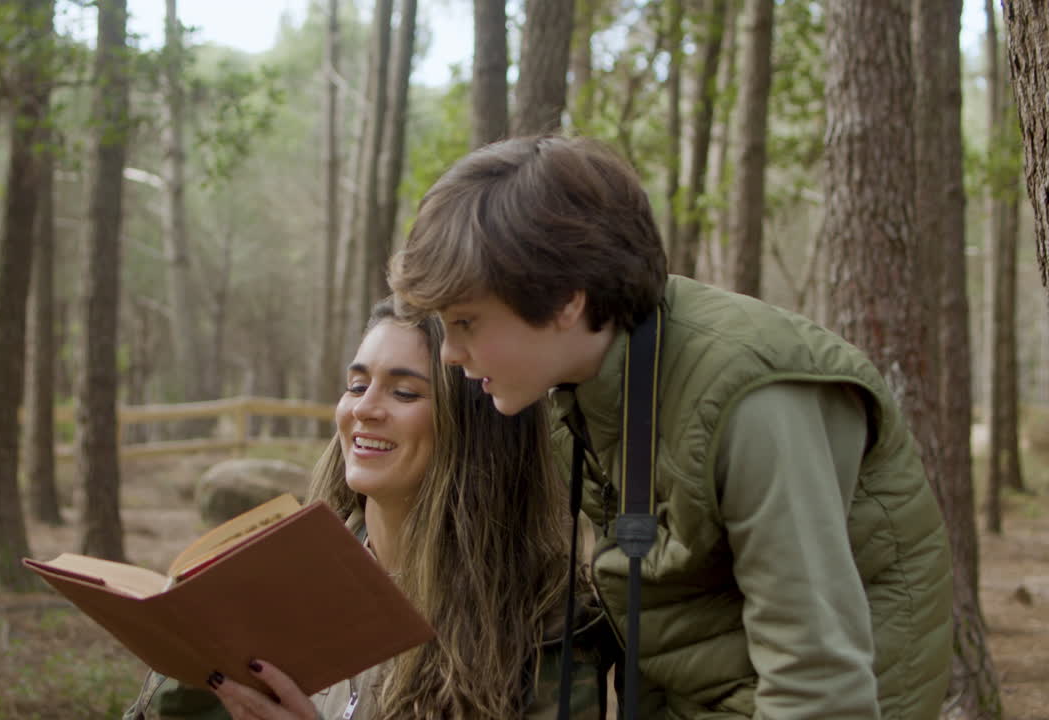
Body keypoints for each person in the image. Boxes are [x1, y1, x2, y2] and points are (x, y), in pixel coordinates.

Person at [388, 135, 953, 719]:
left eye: (466, 322)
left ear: (564, 301)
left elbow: (819, 681)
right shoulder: (587, 386)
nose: (449, 352)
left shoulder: (753, 399)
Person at [201, 299, 610, 720]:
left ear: (476, 428)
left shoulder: (544, 624)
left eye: (404, 392)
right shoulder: (297, 576)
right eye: (357, 386)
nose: (363, 409)